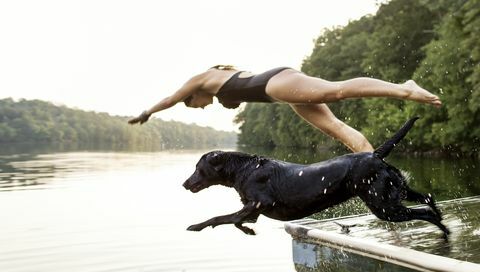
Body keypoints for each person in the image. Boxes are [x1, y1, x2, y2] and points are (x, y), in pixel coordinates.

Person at [128, 65, 441, 152]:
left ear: (192, 95)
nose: (198, 107)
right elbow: (236, 96)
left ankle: (404, 89)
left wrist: (148, 112)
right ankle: (371, 165)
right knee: (337, 128)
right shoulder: (217, 81)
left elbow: (171, 98)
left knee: (337, 91)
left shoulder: (199, 79)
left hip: (275, 84)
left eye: (194, 106)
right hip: (280, 90)